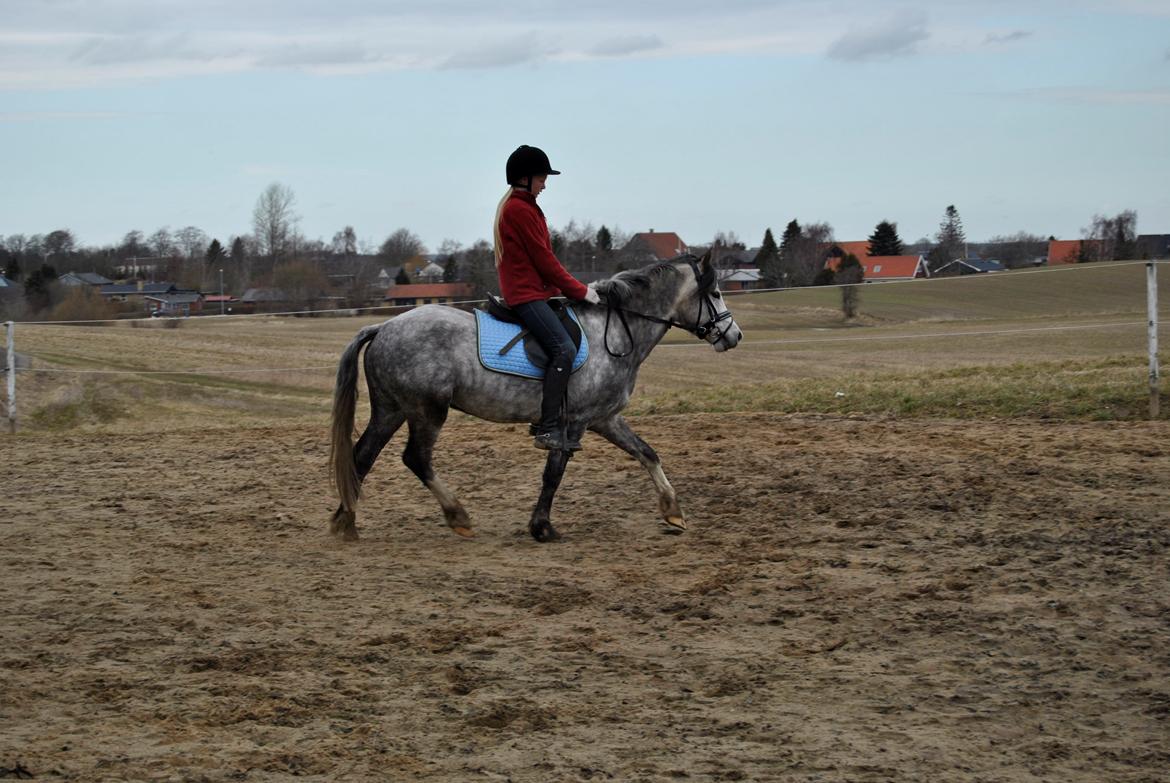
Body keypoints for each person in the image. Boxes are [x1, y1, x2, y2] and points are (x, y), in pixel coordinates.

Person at [494, 144, 600, 451]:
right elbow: (544, 261)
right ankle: (547, 428)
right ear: (525, 178)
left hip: (537, 292)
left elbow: (541, 261)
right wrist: (581, 291)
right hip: (525, 296)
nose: (545, 183)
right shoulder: (519, 209)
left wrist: (559, 293)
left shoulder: (525, 206)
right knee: (563, 350)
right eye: (541, 177)